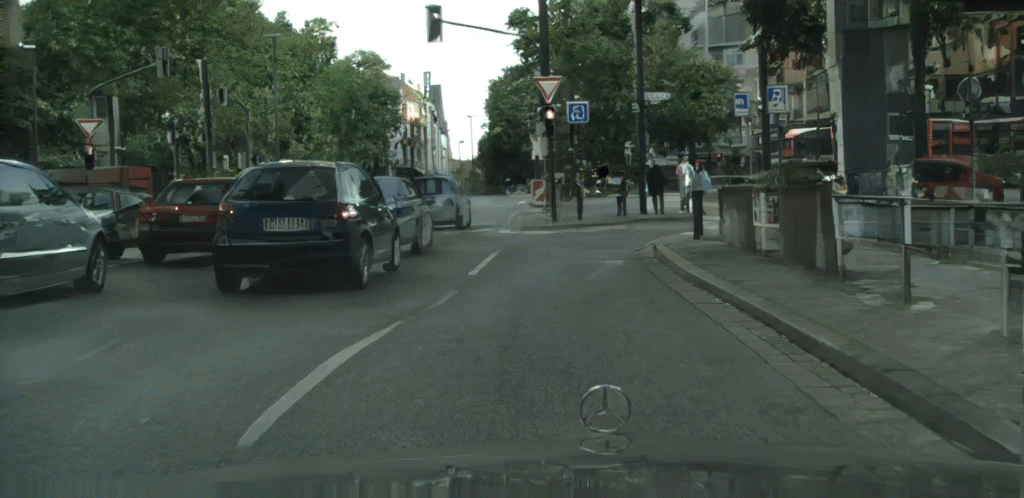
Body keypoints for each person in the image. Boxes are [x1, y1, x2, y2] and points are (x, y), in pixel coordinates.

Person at [691, 161, 712, 240]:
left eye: (697, 165)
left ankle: (698, 233)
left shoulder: (703, 173)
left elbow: (706, 184)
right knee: (696, 215)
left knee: (698, 214)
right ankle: (697, 233)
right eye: (695, 165)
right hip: (695, 192)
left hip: (699, 193)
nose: (696, 167)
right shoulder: (694, 173)